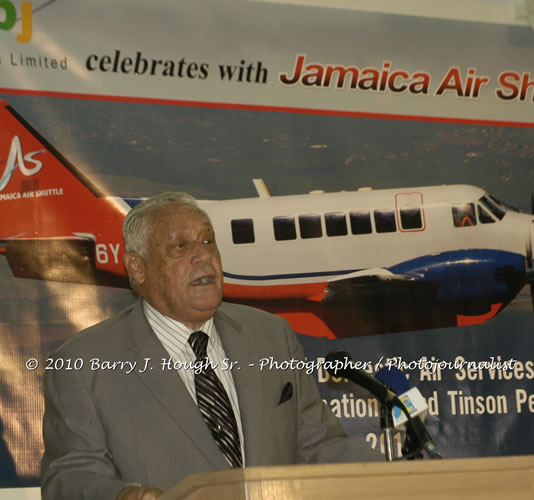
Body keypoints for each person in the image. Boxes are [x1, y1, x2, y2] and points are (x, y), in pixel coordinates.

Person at [40, 192, 383, 500]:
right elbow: (69, 477)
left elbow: (318, 446)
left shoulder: (270, 336)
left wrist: (402, 476)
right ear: (137, 267)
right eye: (180, 246)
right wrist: (122, 496)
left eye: (208, 241)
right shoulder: (83, 363)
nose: (203, 256)